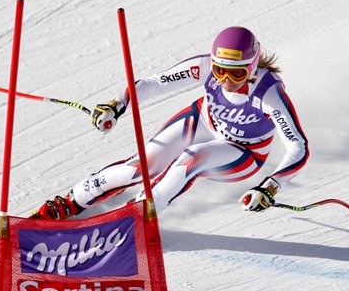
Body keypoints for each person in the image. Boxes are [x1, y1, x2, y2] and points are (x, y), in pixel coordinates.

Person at [32, 26, 309, 220]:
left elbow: (297, 146)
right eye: (219, 70)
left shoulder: (268, 93)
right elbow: (154, 83)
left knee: (190, 159)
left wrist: (270, 186)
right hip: (203, 121)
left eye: (235, 74)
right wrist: (117, 105)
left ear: (250, 67)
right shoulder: (203, 67)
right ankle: (74, 199)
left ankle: (136, 215)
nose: (225, 80)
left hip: (244, 152)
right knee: (139, 167)